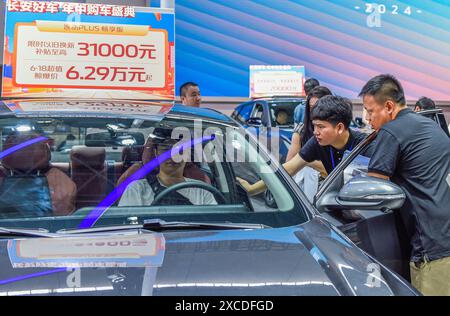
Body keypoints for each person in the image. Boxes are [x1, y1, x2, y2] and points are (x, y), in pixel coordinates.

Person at [359, 74, 450, 296]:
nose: (368, 119)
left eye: (371, 111)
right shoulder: (428, 125)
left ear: (389, 106)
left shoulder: (391, 132)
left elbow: (372, 190)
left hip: (432, 248)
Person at [239, 95, 369, 196]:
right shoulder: (317, 142)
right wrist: (252, 189)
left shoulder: (365, 145)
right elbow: (288, 169)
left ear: (340, 127)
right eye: (314, 126)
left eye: (321, 127)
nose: (315, 132)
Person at [119, 131, 217, 207]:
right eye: (166, 150)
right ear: (156, 153)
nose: (173, 156)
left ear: (187, 154)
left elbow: (214, 226)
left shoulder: (202, 190)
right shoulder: (136, 189)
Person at [287, 86, 332, 202]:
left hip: (331, 190)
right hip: (307, 190)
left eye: (318, 107)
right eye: (311, 108)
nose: (315, 112)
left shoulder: (337, 132)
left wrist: (304, 161)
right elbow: (290, 165)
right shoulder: (301, 131)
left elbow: (336, 168)